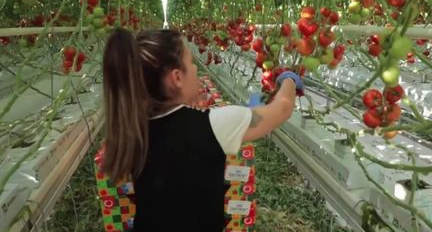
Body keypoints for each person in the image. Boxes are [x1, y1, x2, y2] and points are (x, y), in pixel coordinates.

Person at [101, 28, 303, 232]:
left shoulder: (132, 128)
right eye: (191, 62)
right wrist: (287, 79)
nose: (196, 68)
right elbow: (283, 108)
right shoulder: (216, 125)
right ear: (177, 77)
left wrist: (250, 113)